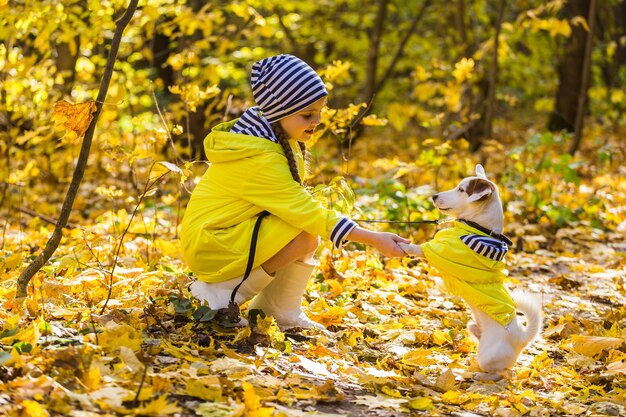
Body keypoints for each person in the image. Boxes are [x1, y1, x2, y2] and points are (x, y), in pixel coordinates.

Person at [180, 54, 409, 330]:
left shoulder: (272, 138)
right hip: (212, 242)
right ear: (279, 112)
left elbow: (298, 206)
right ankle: (221, 294)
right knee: (304, 235)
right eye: (307, 114)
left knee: (304, 232)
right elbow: (305, 211)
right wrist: (372, 238)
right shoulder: (259, 156)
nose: (318, 120)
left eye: (320, 111)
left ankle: (276, 309)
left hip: (226, 232)